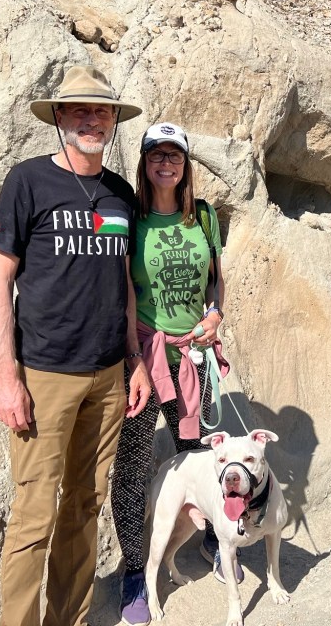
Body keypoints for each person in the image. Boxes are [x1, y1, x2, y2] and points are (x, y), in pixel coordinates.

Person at [0, 65, 152, 626]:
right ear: (59, 117)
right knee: (34, 516)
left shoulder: (120, 194)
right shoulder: (28, 181)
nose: (91, 120)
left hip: (107, 377)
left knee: (85, 507)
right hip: (45, 377)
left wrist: (134, 362)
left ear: (112, 122)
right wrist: (7, 378)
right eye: (79, 110)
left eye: (101, 111)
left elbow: (124, 284)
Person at [110, 122, 232, 626]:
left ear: (186, 165)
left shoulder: (202, 218)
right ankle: (136, 571)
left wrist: (216, 315)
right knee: (136, 465)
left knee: (201, 456)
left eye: (175, 155)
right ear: (144, 164)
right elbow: (110, 279)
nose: (166, 163)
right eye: (156, 155)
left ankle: (213, 543)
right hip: (144, 357)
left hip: (194, 357)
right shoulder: (129, 217)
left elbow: (217, 283)